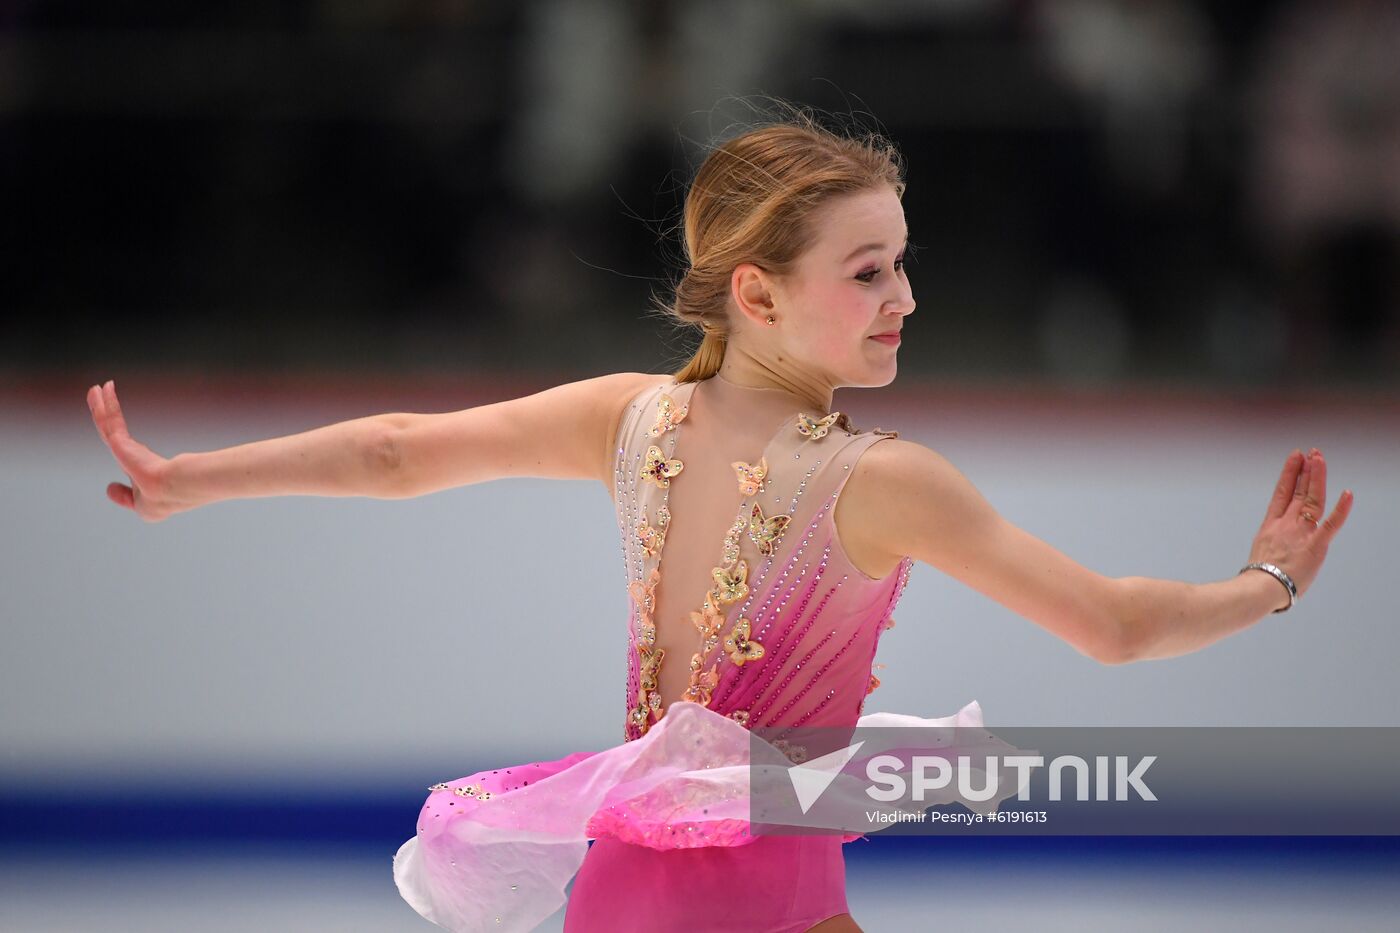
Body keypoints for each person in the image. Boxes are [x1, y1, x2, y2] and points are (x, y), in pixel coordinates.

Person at [87, 105, 1353, 933]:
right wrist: (1268, 584)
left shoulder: (627, 418)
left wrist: (190, 479)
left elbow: (394, 456)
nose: (902, 297)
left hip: (632, 895)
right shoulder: (881, 480)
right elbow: (1117, 629)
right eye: (866, 272)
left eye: (902, 261)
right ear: (754, 291)